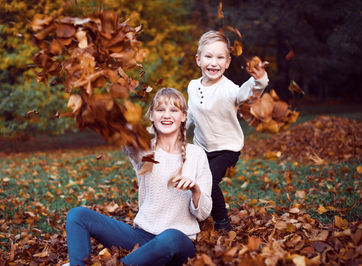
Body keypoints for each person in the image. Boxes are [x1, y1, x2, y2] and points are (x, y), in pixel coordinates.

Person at [64, 88, 213, 266]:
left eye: (174, 110)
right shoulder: (145, 150)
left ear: (183, 116)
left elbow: (204, 213)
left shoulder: (196, 154)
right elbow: (127, 140)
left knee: (170, 236)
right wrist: (104, 112)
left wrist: (195, 189)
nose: (167, 115)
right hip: (141, 238)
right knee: (78, 215)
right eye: (160, 110)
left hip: (179, 242)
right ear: (151, 115)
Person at [186, 30, 269, 232]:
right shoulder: (192, 86)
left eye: (220, 57)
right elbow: (190, 114)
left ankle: (223, 223)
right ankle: (196, 216)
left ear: (228, 62)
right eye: (208, 56)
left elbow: (246, 94)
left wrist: (259, 81)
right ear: (198, 60)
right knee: (192, 182)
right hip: (201, 147)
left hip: (226, 148)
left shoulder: (230, 89)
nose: (214, 62)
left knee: (209, 182)